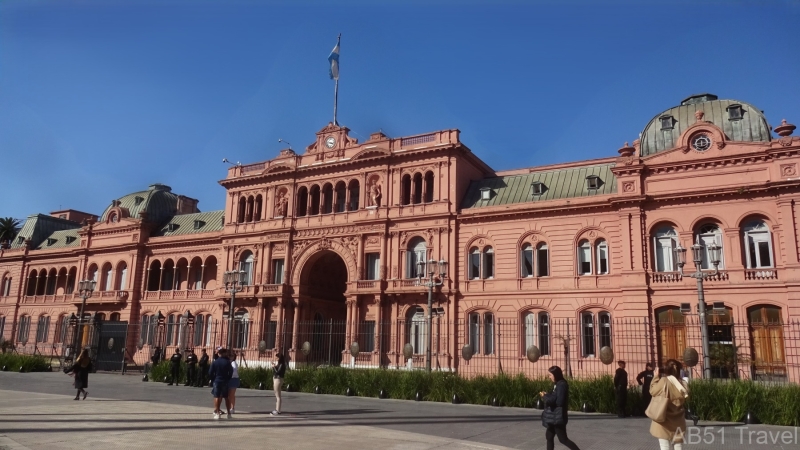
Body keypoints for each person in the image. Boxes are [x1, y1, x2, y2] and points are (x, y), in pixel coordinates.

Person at [649, 359, 689, 450]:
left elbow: (653, 391)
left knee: (664, 447)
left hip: (664, 418)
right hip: (678, 419)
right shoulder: (683, 384)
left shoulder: (664, 381)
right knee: (678, 445)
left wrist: (655, 377)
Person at [539, 366, 581, 450]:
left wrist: (546, 397)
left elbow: (559, 402)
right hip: (553, 417)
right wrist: (547, 395)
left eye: (550, 375)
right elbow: (555, 397)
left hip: (558, 417)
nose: (549, 377)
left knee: (563, 439)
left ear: (556, 375)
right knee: (549, 436)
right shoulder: (557, 384)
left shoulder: (562, 385)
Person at [208, 347, 234, 420]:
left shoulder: (215, 362)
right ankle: (229, 413)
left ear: (219, 354)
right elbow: (231, 372)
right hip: (225, 380)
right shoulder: (227, 362)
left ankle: (217, 413)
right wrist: (228, 378)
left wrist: (213, 379)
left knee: (216, 396)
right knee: (226, 397)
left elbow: (210, 372)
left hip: (217, 380)